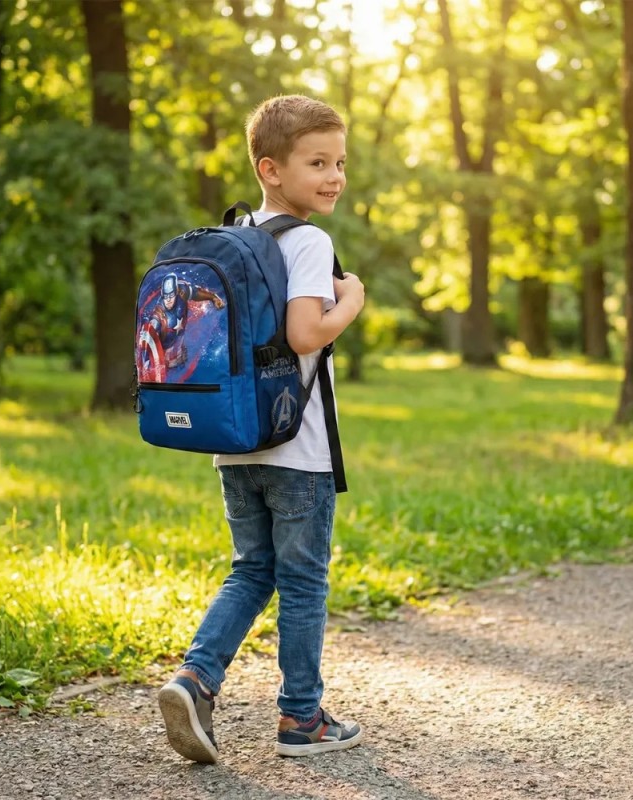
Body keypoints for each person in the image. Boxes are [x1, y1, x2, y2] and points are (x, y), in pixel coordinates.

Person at [157, 94, 366, 763]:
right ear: (270, 168)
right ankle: (301, 719)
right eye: (317, 163)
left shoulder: (242, 237)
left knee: (250, 571)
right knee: (302, 581)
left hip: (236, 441)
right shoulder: (307, 241)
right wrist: (352, 301)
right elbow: (307, 333)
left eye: (339, 162)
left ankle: (195, 678)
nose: (333, 176)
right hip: (296, 450)